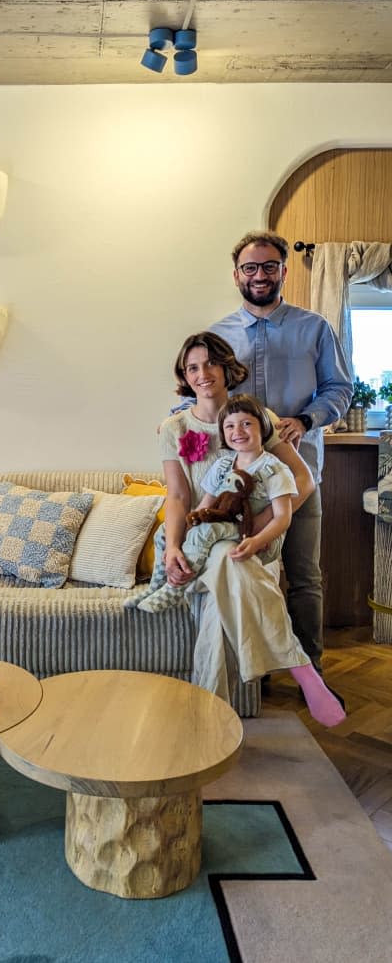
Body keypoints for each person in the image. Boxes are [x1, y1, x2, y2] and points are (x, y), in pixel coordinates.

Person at [137, 330, 344, 727]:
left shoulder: (257, 417)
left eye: (210, 363)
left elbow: (302, 479)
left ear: (226, 366)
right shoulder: (174, 429)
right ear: (184, 375)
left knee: (224, 582)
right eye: (192, 367)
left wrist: (263, 526)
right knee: (221, 560)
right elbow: (179, 497)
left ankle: (208, 723)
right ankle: (300, 668)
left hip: (250, 543)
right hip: (200, 544)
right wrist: (172, 549)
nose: (203, 374)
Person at [210, 231, 353, 675]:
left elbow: (340, 388)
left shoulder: (315, 328)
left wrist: (306, 419)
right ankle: (258, 673)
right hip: (240, 483)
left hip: (299, 475)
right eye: (250, 268)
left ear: (283, 271)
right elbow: (202, 393)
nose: (259, 275)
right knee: (250, 574)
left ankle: (311, 670)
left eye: (269, 266)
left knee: (305, 577)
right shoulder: (218, 336)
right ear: (236, 275)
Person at [134, 394, 295, 614]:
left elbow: (282, 517)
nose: (237, 432)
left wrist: (258, 540)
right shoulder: (223, 464)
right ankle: (157, 586)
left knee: (207, 531)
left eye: (246, 424)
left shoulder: (273, 469)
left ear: (263, 426)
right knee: (166, 530)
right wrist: (186, 526)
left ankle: (175, 587)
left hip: (250, 531)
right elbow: (206, 503)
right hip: (225, 519)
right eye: (229, 426)